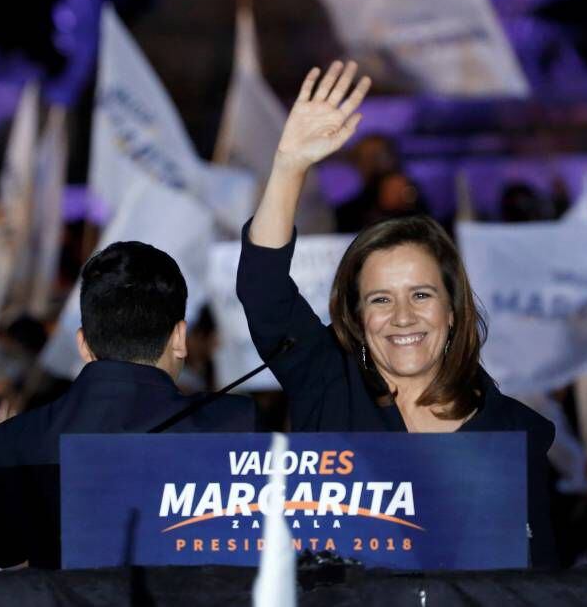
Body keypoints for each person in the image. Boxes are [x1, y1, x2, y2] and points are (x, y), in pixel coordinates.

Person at [237, 60, 557, 567]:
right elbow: (263, 289)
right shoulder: (328, 383)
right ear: (357, 315)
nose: (403, 316)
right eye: (381, 299)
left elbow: (537, 585)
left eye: (422, 295)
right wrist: (289, 166)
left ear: (453, 310)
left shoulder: (514, 436)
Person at [0, 241, 256, 569]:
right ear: (179, 339)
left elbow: (4, 574)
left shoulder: (5, 447)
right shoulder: (235, 425)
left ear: (82, 344)